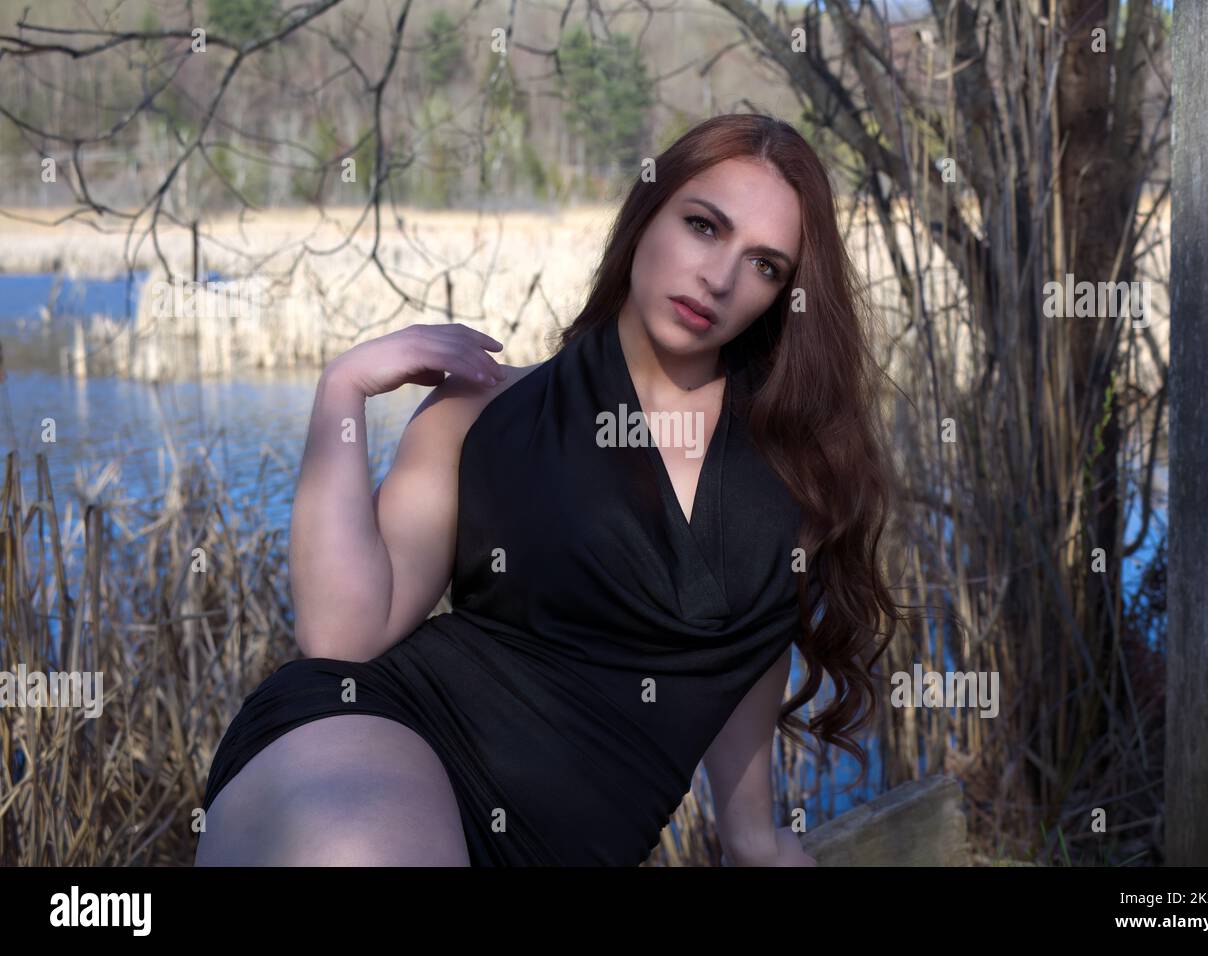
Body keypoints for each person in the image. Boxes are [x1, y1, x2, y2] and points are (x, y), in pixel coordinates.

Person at [194, 113, 903, 866]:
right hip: (383, 752)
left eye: (764, 265)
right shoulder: (484, 411)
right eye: (703, 226)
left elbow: (747, 648)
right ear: (646, 215)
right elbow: (341, 640)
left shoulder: (792, 467)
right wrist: (342, 391)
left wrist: (752, 832)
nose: (719, 278)